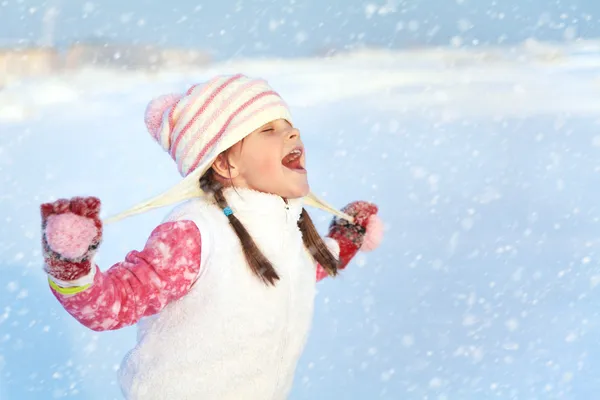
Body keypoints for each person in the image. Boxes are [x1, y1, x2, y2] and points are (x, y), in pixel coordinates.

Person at [40, 74, 384, 399]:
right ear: (225, 164)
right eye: (268, 129)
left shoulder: (285, 224)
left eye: (290, 127)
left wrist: (349, 236)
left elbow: (305, 268)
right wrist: (70, 264)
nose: (293, 134)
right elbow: (119, 302)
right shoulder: (196, 234)